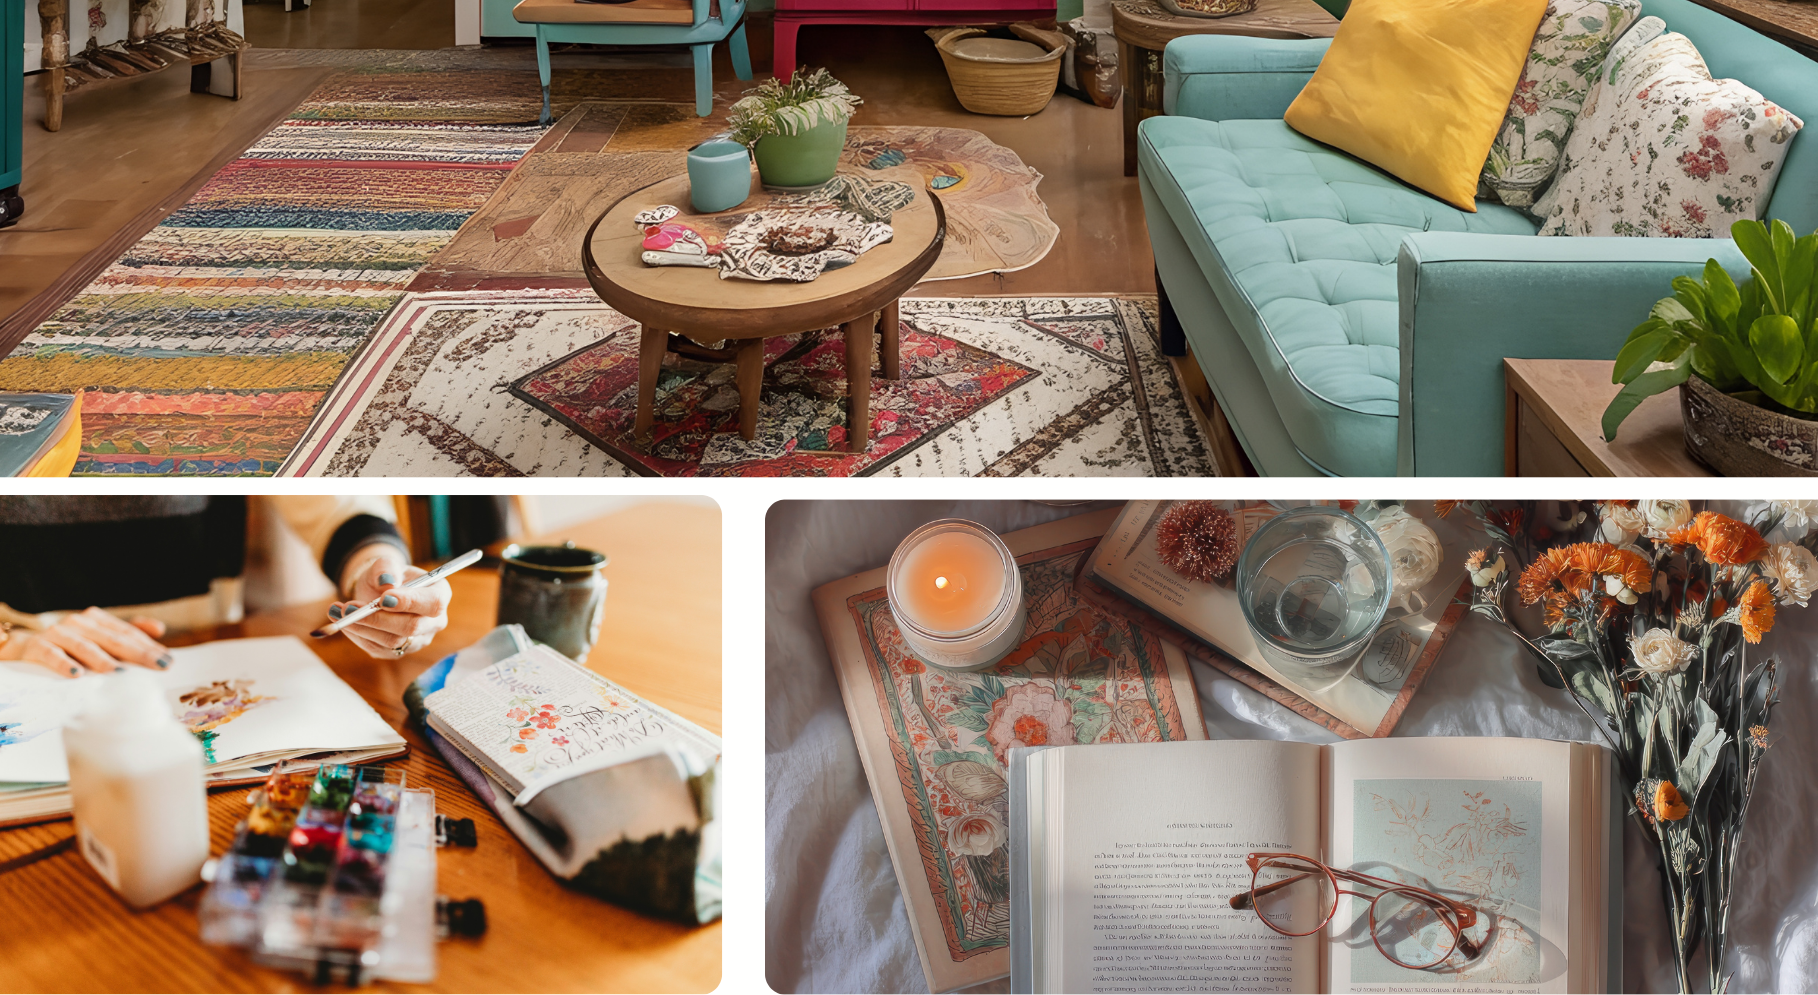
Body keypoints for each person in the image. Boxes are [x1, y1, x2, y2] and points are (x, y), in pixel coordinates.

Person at [0, 496, 452, 677]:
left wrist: (375, 565)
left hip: (203, 662)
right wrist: (10, 644)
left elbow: (337, 505)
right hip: (28, 670)